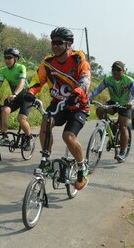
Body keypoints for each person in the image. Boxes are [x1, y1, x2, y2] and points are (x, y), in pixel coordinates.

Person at [24, 27, 91, 190]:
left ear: (68, 44)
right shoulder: (48, 63)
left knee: (68, 136)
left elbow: (85, 79)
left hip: (78, 104)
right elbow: (37, 81)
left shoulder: (78, 59)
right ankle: (46, 160)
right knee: (46, 121)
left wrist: (78, 91)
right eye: (52, 42)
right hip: (59, 103)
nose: (54, 46)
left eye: (58, 43)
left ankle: (82, 166)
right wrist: (30, 92)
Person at [88, 61, 134, 163]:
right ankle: (111, 127)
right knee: (100, 109)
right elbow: (97, 90)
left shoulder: (129, 81)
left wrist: (131, 103)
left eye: (118, 70)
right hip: (113, 102)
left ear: (123, 71)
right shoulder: (108, 80)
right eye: (113, 70)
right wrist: (88, 97)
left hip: (125, 104)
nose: (115, 72)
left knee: (123, 127)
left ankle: (122, 152)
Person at [0, 47, 34, 150]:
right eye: (5, 58)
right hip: (15, 97)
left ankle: (28, 138)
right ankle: (4, 135)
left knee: (21, 119)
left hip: (26, 97)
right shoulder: (4, 70)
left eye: (9, 58)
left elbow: (21, 82)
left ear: (15, 59)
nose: (7, 60)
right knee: (4, 110)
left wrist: (15, 93)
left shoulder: (21, 67)